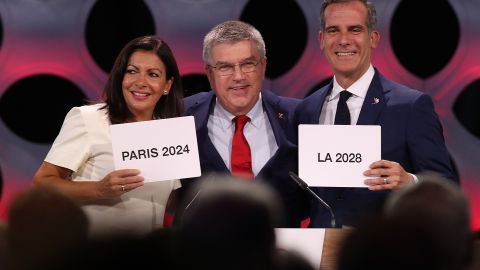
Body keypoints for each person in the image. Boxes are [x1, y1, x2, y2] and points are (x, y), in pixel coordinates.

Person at [293, 0, 458, 227]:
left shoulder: (411, 106)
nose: (343, 40)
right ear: (322, 40)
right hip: (321, 252)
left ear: (373, 38)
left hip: (382, 250)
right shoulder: (307, 109)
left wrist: (409, 181)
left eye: (355, 29)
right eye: (333, 31)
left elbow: (448, 188)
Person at [33, 35, 184, 237]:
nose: (141, 82)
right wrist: (99, 189)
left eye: (153, 74)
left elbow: (170, 203)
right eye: (132, 71)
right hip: (91, 254)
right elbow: (42, 183)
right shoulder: (88, 119)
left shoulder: (168, 133)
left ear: (167, 85)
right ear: (121, 77)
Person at [177, 20, 308, 227]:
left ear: (263, 66)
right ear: (209, 74)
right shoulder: (179, 117)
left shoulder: (300, 116)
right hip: (201, 251)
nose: (238, 76)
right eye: (225, 67)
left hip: (278, 252)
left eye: (248, 64)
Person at [337, 173, 474, 270]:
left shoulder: (414, 130)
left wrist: (411, 181)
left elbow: (447, 184)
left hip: (388, 245)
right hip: (322, 235)